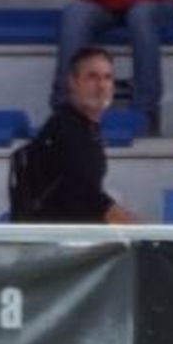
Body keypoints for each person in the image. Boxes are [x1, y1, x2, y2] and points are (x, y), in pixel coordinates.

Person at [51, 0, 173, 137]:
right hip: (114, 3)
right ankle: (65, 110)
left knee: (140, 14)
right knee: (75, 13)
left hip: (159, 1)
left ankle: (145, 113)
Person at [26, 46, 141, 224]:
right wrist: (141, 231)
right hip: (57, 243)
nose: (101, 86)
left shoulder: (85, 127)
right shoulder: (66, 129)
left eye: (107, 78)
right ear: (73, 82)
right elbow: (91, 199)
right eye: (92, 77)